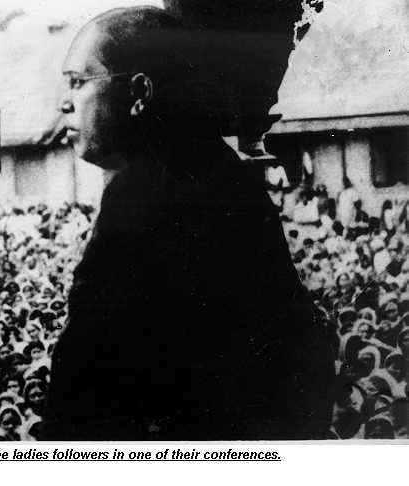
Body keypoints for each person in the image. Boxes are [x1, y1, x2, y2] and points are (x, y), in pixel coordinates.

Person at [43, 6, 334, 440]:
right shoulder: (230, 177)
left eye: (78, 81)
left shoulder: (138, 195)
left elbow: (82, 384)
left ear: (140, 93)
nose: (64, 103)